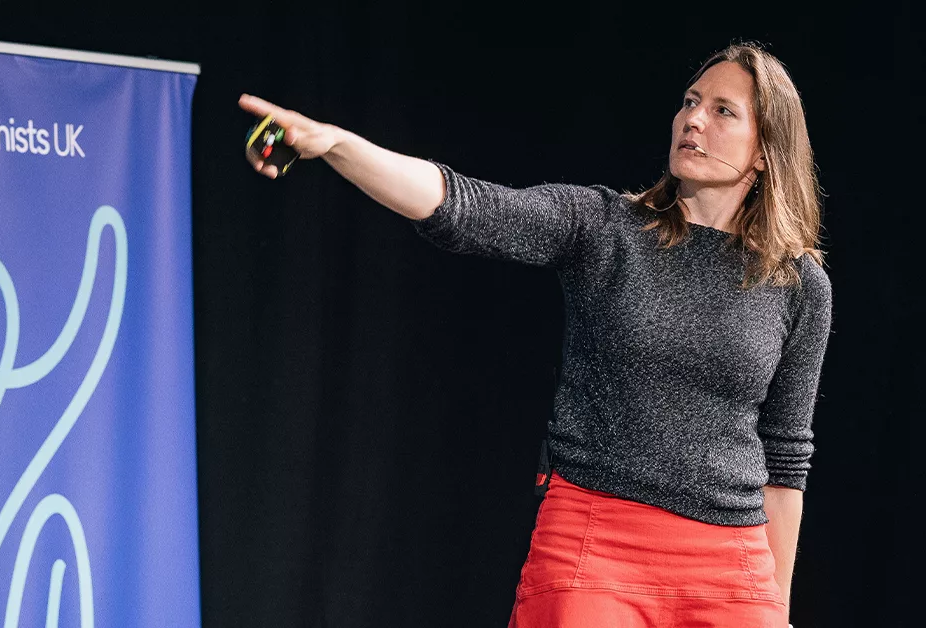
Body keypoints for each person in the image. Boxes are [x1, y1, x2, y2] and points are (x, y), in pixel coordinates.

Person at [239, 42, 830, 628]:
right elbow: (463, 207)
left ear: (765, 152)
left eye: (723, 111)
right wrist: (338, 144)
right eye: (690, 101)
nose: (693, 120)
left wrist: (776, 610)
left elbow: (785, 462)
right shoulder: (604, 228)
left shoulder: (798, 284)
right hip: (596, 543)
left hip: (732, 567)